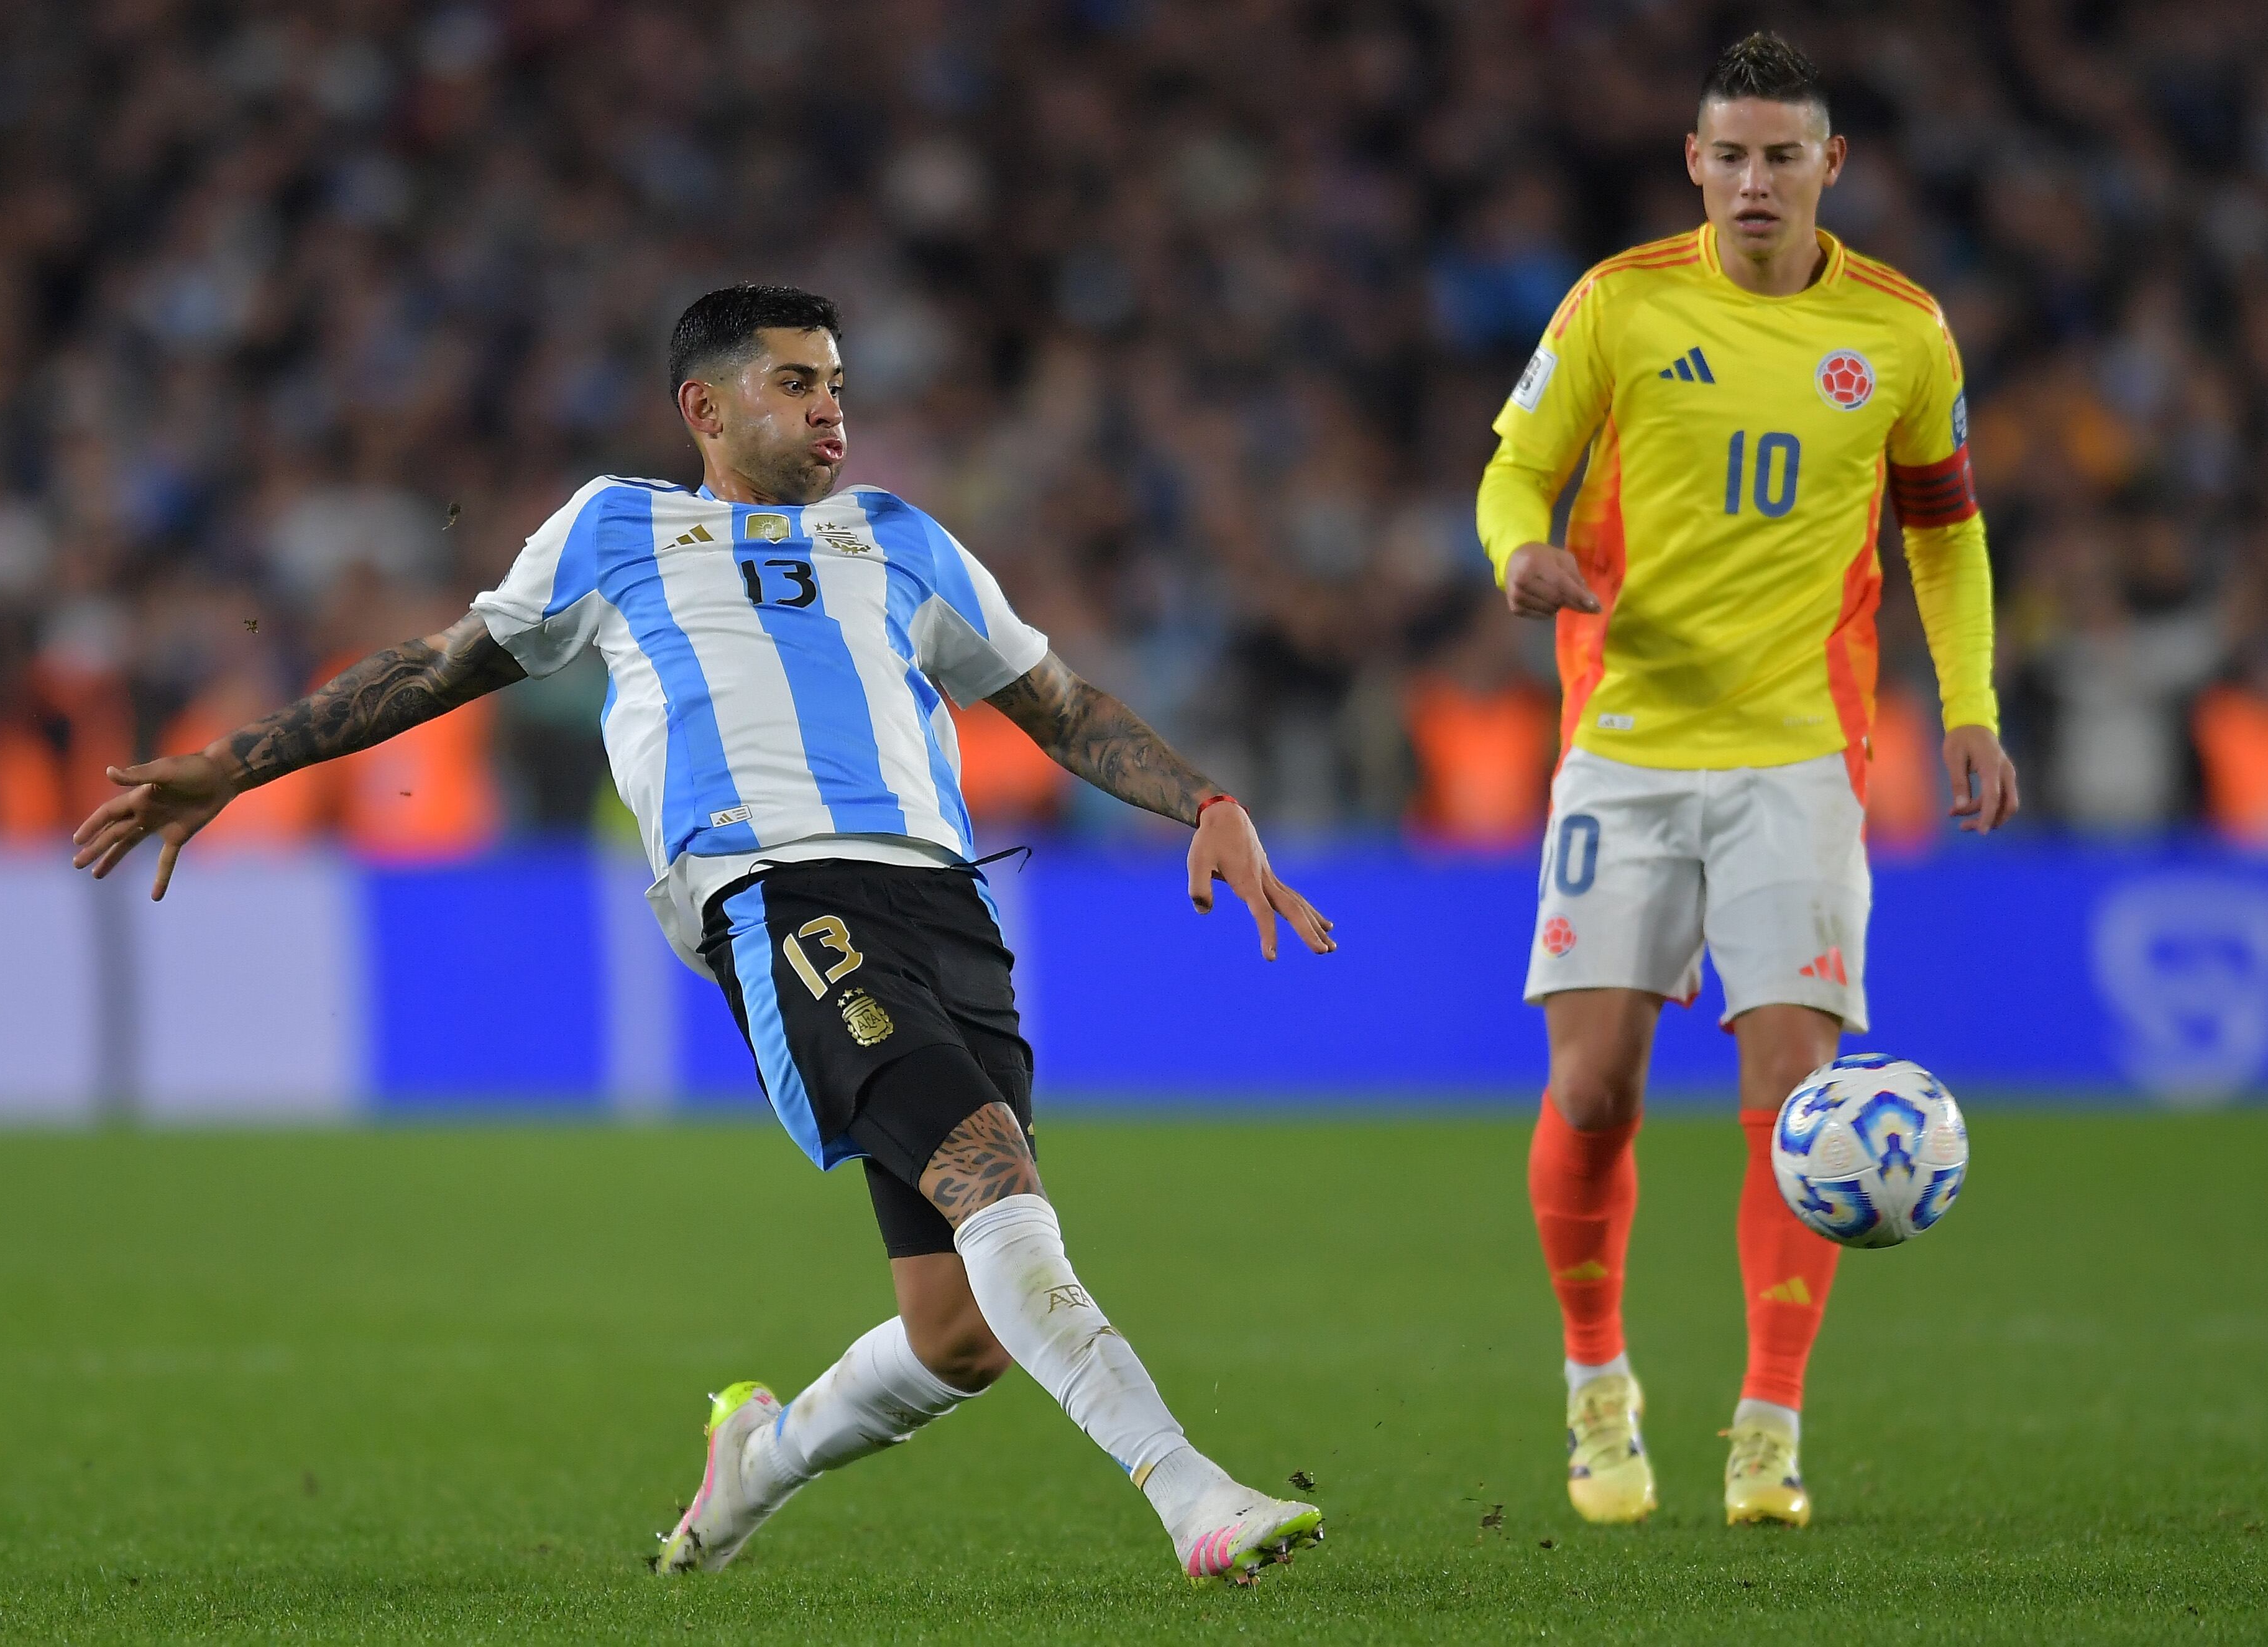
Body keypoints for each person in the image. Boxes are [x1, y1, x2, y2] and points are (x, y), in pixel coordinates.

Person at [70, 283, 1336, 1587]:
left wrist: (1208, 799)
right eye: (794, 381)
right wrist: (238, 760)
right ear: (706, 407)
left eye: (835, 379)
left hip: (948, 904)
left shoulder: (902, 540)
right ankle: (1191, 1494)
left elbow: (1060, 705)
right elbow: (438, 664)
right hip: (781, 895)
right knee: (991, 1175)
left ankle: (760, 1456)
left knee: (959, 1331)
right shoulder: (618, 528)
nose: (829, 404)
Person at [1476, 34, 2019, 1529]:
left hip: (1801, 757)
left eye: (1783, 155)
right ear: (1692, 164)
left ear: (1829, 167)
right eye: (1729, 154)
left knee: (1793, 1094)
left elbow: (1945, 529)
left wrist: (1965, 702)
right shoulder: (1621, 303)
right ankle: (1598, 1383)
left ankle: (1767, 1422)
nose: (1753, 180)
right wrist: (1515, 550)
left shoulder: (1900, 333)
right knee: (1591, 1090)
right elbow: (1514, 467)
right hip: (1626, 748)